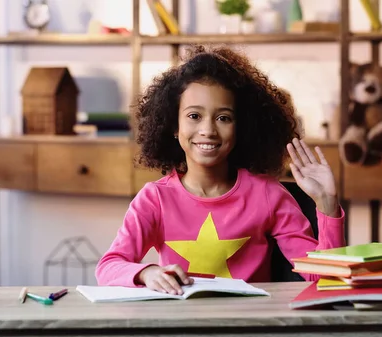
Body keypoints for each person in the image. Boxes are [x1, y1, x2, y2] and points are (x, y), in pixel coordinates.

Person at [95, 45, 345, 295]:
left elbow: (323, 277)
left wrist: (327, 204)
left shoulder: (268, 194)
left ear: (241, 127)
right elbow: (108, 267)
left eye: (223, 118)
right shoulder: (155, 199)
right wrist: (145, 272)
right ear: (173, 125)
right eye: (194, 116)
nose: (208, 130)